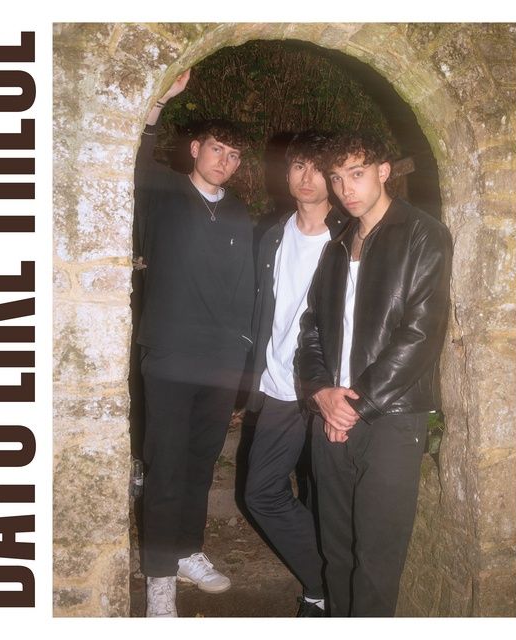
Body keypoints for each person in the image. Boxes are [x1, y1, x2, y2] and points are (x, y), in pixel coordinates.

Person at [296, 131, 452, 617]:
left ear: (384, 172)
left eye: (357, 174)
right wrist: (321, 393)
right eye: (337, 178)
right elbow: (312, 329)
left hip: (391, 418)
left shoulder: (423, 234)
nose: (346, 189)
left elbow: (421, 334)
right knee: (336, 550)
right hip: (331, 415)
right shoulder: (337, 245)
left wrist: (355, 405)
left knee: (377, 560)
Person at [134, 69, 254, 617]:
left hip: (221, 361)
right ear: (195, 148)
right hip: (169, 355)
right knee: (165, 465)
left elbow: (245, 288)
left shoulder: (239, 212)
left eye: (234, 154)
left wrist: (243, 361)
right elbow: (137, 158)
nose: (224, 160)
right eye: (216, 148)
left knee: (201, 464)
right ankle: (159, 579)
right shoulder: (163, 190)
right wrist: (159, 102)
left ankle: (186, 551)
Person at [244, 131, 349, 617]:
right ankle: (324, 581)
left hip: (330, 387)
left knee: (328, 497)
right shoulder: (272, 233)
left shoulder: (350, 237)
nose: (306, 177)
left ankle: (321, 593)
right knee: (262, 493)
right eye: (298, 166)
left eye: (317, 168)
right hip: (280, 387)